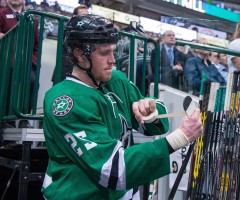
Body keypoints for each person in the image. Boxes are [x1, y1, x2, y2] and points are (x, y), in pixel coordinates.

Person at [41, 14, 203, 199]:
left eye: (113, 51)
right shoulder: (65, 101)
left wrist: (151, 111)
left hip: (121, 193)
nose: (113, 60)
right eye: (104, 53)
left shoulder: (115, 79)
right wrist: (179, 138)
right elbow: (110, 169)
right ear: (79, 54)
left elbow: (153, 124)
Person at [0, 0, 39, 127]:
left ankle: (24, 118)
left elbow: (37, 43)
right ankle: (6, 121)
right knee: (8, 86)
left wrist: (34, 61)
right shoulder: (1, 14)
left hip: (26, 61)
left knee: (33, 82)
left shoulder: (32, 18)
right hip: (6, 61)